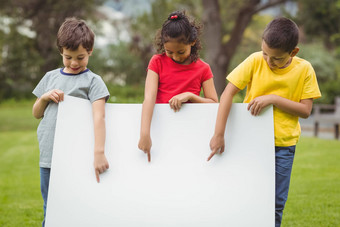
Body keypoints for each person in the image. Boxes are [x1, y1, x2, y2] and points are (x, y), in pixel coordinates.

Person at [208, 17, 321, 227]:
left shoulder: (305, 69)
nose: (269, 62)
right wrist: (219, 133)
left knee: (276, 203)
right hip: (250, 142)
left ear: (293, 52)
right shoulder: (254, 61)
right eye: (265, 53)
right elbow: (227, 94)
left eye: (276, 58)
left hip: (283, 147)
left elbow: (305, 111)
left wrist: (274, 99)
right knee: (245, 196)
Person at [32, 17, 110, 227]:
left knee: (78, 206)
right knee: (51, 206)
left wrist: (99, 151)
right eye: (68, 57)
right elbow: (36, 113)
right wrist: (44, 97)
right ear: (61, 51)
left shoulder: (93, 81)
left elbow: (99, 116)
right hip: (49, 157)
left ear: (90, 51)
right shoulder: (50, 77)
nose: (74, 63)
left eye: (80, 57)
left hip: (76, 155)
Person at [138, 10, 218, 162]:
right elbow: (149, 98)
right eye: (169, 52)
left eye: (181, 51)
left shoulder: (204, 68)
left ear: (192, 42)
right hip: (161, 130)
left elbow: (214, 103)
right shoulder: (157, 62)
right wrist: (144, 133)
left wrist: (190, 96)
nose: (175, 57)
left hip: (191, 132)